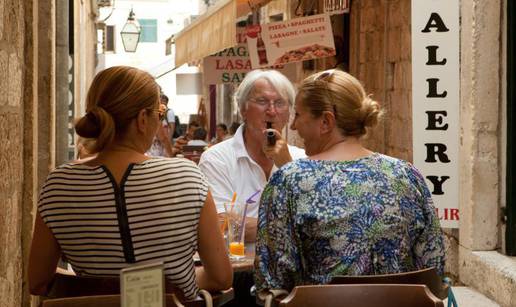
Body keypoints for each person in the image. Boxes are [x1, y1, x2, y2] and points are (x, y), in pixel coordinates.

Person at [28, 66, 232, 299]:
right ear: (142, 119)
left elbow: (38, 282)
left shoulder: (59, 185)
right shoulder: (187, 176)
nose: (160, 120)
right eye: (160, 112)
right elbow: (220, 277)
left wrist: (100, 289)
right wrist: (174, 283)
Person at [255, 69, 445, 294]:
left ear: (326, 121)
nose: (294, 126)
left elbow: (273, 281)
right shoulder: (407, 175)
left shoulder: (288, 181)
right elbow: (434, 267)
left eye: (298, 115)